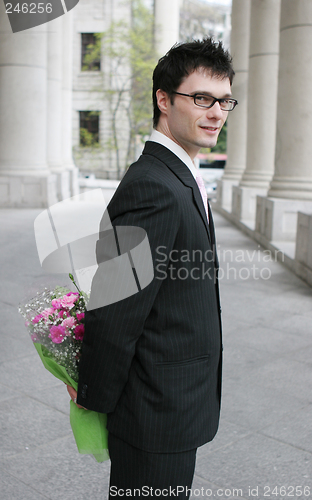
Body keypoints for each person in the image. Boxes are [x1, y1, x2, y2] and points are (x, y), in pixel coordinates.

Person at [67, 37, 237, 498]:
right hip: (155, 411)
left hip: (173, 401)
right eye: (201, 98)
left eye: (224, 101)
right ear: (164, 99)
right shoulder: (154, 186)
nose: (216, 112)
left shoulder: (179, 174)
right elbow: (117, 308)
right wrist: (94, 398)